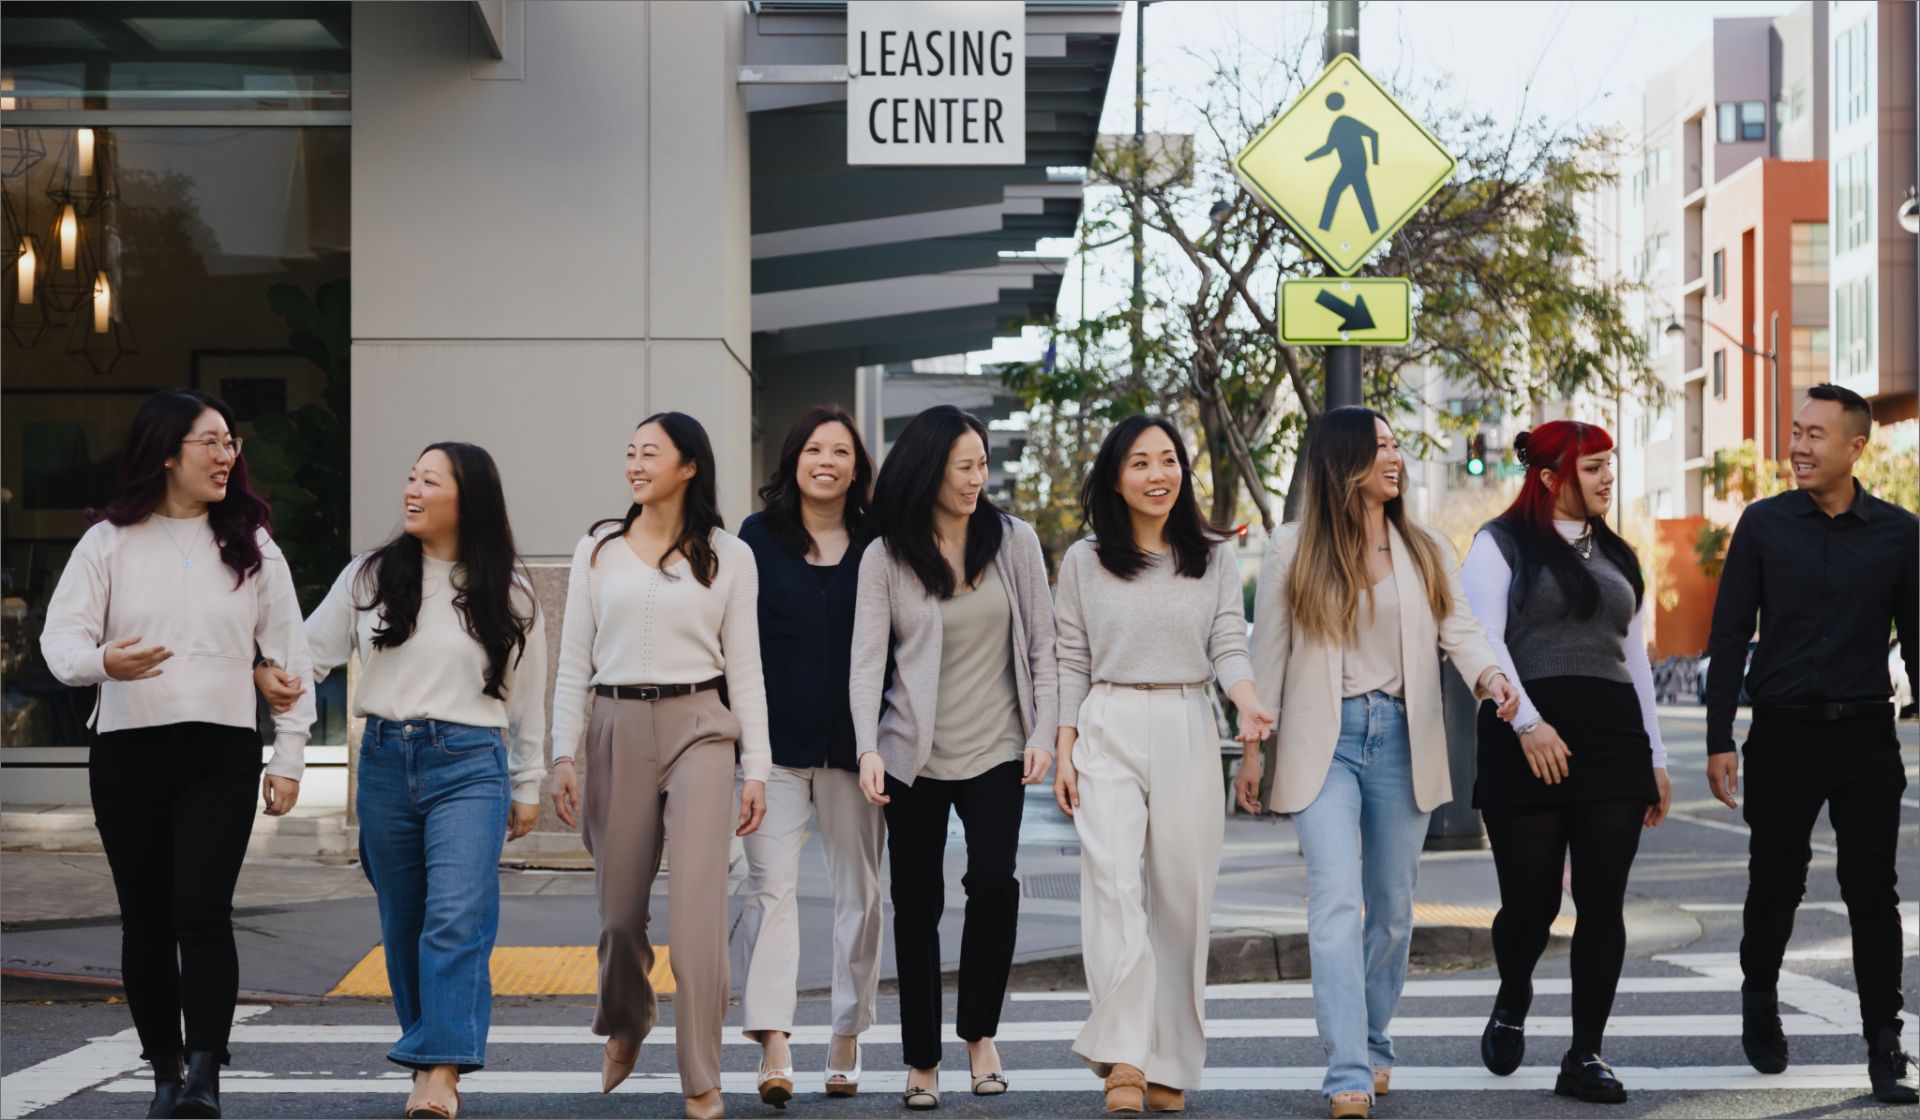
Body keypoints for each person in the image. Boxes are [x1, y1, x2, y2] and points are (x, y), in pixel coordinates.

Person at [1235, 406, 1517, 1120]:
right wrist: (1252, 750)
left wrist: (1491, 681)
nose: (1395, 458)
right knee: (1334, 901)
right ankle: (1348, 1071)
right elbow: (1267, 653)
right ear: (1343, 462)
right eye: (1381, 446)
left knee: (1391, 912)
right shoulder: (1292, 547)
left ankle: (1372, 1039)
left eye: (1396, 446)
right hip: (1321, 743)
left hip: (1400, 738)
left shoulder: (1422, 548)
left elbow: (1461, 630)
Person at [40, 389, 315, 1120]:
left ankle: (204, 1074)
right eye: (210, 442)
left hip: (221, 751)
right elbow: (59, 644)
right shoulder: (108, 542)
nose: (227, 455)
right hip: (128, 751)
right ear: (166, 452)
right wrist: (105, 662)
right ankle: (164, 1072)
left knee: (201, 908)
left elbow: (291, 658)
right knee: (146, 919)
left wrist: (289, 757)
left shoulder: (253, 545)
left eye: (231, 443)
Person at [257, 443, 545, 1119]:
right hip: (385, 761)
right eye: (411, 479)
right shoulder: (370, 577)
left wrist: (528, 783)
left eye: (429, 481)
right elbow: (306, 657)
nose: (412, 491)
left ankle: (438, 1069)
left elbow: (527, 700)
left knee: (456, 916)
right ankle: (429, 1051)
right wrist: (286, 745)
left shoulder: (510, 592)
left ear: (466, 497)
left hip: (471, 762)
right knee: (405, 920)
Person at [546, 412, 770, 1120]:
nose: (635, 464)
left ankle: (702, 1078)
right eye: (630, 453)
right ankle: (628, 1017)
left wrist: (756, 767)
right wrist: (562, 753)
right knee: (619, 916)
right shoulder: (598, 549)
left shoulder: (730, 555)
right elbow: (573, 661)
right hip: (614, 726)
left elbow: (748, 670)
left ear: (688, 466)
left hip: (702, 726)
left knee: (699, 915)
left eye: (651, 453)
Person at [1051, 415, 1274, 1114]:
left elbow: (1228, 644)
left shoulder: (1211, 554)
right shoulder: (1084, 561)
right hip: (1108, 721)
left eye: (1170, 460)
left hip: (1186, 719)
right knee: (1112, 887)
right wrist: (1063, 750)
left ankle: (1171, 1058)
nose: (1159, 475)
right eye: (1142, 463)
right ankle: (1125, 1055)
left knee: (1183, 899)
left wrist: (1246, 703)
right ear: (1116, 477)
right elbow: (1071, 659)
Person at [1705, 384, 1918, 1105]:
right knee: (1776, 882)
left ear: (1856, 446)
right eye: (1795, 431)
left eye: (1815, 435)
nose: (1798, 446)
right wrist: (1718, 738)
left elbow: (1917, 643)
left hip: (1865, 734)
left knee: (1871, 888)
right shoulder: (1762, 526)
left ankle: (1885, 1041)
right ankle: (1760, 996)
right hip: (1783, 733)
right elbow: (1730, 634)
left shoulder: (1900, 533)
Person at [849, 404, 1059, 1110]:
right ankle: (921, 1061)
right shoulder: (885, 555)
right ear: (928, 468)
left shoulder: (1013, 541)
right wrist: (867, 748)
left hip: (999, 745)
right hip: (914, 754)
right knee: (915, 904)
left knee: (994, 886)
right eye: (964, 465)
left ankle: (979, 1036)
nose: (979, 478)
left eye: (982, 464)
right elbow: (866, 661)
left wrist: (1043, 734)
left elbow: (1044, 647)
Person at [1460, 421, 1671, 1104]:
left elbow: (1633, 657)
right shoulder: (1500, 544)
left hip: (1612, 739)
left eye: (1611, 465)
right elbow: (1482, 638)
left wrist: (1657, 757)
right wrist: (1526, 722)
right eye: (1592, 468)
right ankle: (1514, 991)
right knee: (1533, 902)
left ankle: (1585, 1055)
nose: (1608, 478)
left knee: (1601, 901)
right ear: (1550, 477)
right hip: (1525, 737)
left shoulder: (1618, 554)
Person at [735, 406, 886, 1104]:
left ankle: (847, 1033)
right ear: (794, 458)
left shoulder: (881, 542)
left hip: (857, 753)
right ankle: (773, 1041)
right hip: (777, 751)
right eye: (814, 449)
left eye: (842, 451)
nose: (827, 460)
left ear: (858, 467)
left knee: (859, 897)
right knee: (772, 891)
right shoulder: (756, 539)